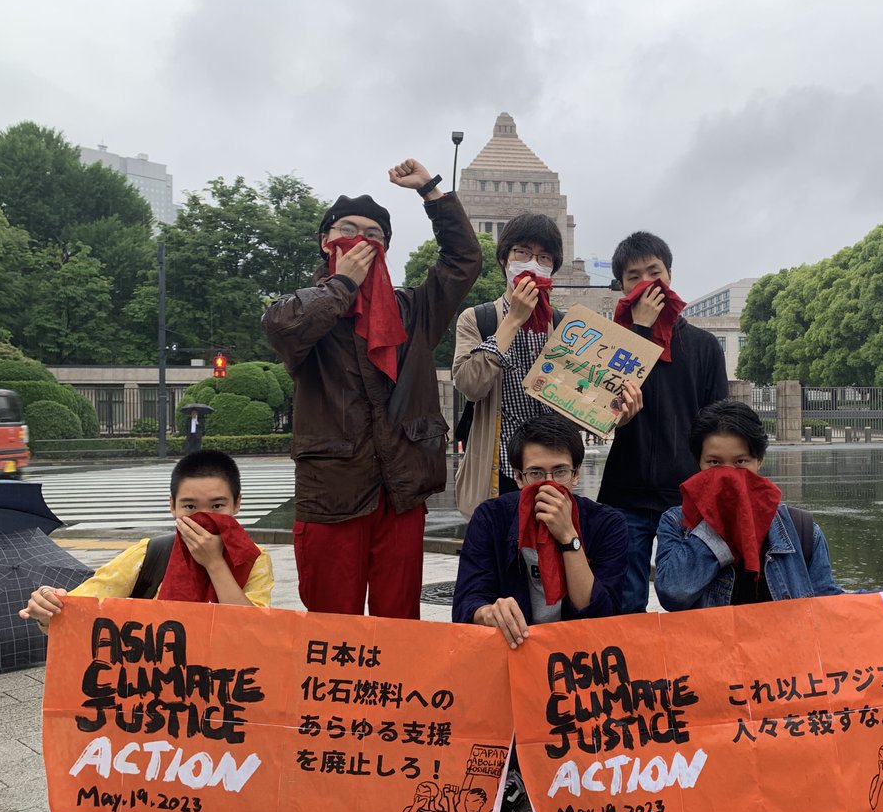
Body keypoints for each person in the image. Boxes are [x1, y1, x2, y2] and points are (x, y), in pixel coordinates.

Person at [19, 450, 273, 812]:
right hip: (143, 692)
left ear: (238, 505)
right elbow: (80, 611)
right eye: (191, 507)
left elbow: (250, 633)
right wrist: (48, 608)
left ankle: (189, 784)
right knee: (107, 699)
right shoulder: (150, 553)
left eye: (218, 506)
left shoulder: (254, 560)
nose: (204, 518)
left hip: (207, 690)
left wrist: (214, 563)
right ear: (172, 508)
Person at [263, 158, 481, 618]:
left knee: (398, 622)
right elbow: (284, 329)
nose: (363, 240)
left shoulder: (414, 310)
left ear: (387, 248)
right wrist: (344, 284)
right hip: (332, 495)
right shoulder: (304, 309)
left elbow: (463, 262)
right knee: (331, 622)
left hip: (401, 490)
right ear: (326, 242)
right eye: (349, 230)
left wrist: (432, 194)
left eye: (375, 234)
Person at [453, 413, 628, 812]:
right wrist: (488, 612)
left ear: (578, 472)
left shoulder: (606, 524)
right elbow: (467, 602)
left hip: (576, 663)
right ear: (516, 476)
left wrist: (568, 537)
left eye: (560, 471)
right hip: (513, 655)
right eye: (535, 473)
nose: (548, 483)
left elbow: (601, 614)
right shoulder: (491, 519)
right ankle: (508, 768)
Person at [654, 401, 883, 613]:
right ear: (698, 462)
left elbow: (828, 603)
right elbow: (673, 593)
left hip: (781, 688)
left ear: (759, 460)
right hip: (711, 687)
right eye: (714, 463)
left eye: (740, 463)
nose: (728, 476)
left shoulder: (800, 531)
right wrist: (717, 524)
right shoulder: (678, 522)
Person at [453, 213, 641, 517]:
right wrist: (513, 320)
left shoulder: (569, 327)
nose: (532, 263)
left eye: (543, 257)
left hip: (552, 471)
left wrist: (616, 413)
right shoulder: (477, 319)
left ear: (552, 268)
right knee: (499, 557)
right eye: (522, 253)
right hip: (498, 470)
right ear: (504, 259)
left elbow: (582, 405)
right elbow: (470, 385)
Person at [596, 231, 728, 614]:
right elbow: (594, 414)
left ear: (670, 275)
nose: (646, 284)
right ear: (621, 286)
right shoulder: (610, 344)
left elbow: (717, 422)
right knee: (624, 598)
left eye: (654, 272)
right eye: (633, 276)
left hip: (685, 492)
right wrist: (638, 331)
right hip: (625, 491)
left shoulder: (702, 346)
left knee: (686, 595)